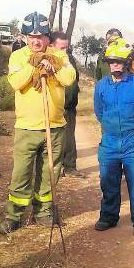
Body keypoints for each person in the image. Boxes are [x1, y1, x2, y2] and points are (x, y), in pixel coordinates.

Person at [0, 12, 76, 234]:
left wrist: (53, 65)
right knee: (21, 173)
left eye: (40, 36)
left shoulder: (59, 55)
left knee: (49, 173)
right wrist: (34, 66)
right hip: (26, 128)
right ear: (24, 37)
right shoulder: (18, 57)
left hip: (55, 127)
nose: (36, 41)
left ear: (47, 36)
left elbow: (69, 79)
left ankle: (43, 212)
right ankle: (14, 215)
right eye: (31, 36)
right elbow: (15, 82)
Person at [93, 37, 134, 236]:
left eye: (119, 61)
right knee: (108, 181)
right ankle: (108, 217)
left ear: (127, 62)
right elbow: (99, 112)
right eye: (111, 61)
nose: (114, 65)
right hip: (109, 140)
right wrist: (112, 128)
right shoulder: (101, 86)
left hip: (132, 141)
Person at [50, 31, 85, 178]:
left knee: (69, 138)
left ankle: (70, 167)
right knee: (54, 140)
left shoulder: (69, 59)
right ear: (52, 46)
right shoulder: (48, 60)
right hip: (54, 107)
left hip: (70, 107)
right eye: (62, 48)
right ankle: (53, 169)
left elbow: (74, 80)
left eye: (67, 47)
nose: (65, 51)